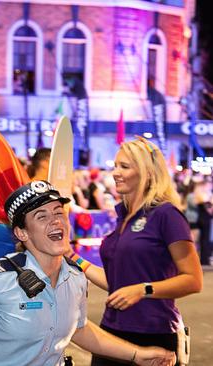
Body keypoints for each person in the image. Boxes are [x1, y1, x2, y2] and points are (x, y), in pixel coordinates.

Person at [0, 180, 176, 366]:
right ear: (21, 232)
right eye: (41, 216)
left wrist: (137, 355)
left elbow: (78, 329)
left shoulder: (75, 277)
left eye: (58, 212)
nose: (56, 221)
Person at [67, 138, 203, 365]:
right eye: (116, 166)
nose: (115, 173)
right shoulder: (123, 218)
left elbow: (193, 280)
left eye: (125, 167)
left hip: (153, 334)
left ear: (148, 173)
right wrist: (72, 257)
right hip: (110, 332)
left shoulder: (166, 215)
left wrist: (143, 290)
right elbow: (118, 283)